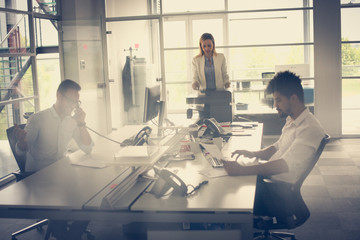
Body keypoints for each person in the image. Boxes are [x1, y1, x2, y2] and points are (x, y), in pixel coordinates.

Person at [222, 70, 326, 218]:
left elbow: (284, 165)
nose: (274, 105)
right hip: (271, 183)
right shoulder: (293, 119)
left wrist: (241, 170)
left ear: (293, 98)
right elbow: (277, 147)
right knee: (229, 184)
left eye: (278, 100)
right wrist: (253, 154)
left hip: (279, 195)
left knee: (229, 195)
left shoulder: (309, 128)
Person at [14, 79, 94, 240]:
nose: (73, 105)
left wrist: (81, 124)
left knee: (90, 198)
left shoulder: (71, 121)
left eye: (76, 102)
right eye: (71, 100)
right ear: (59, 95)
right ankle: (68, 236)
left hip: (60, 173)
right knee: (61, 204)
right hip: (38, 175)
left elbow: (87, 147)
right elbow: (22, 150)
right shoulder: (38, 118)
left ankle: (70, 236)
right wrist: (22, 143)